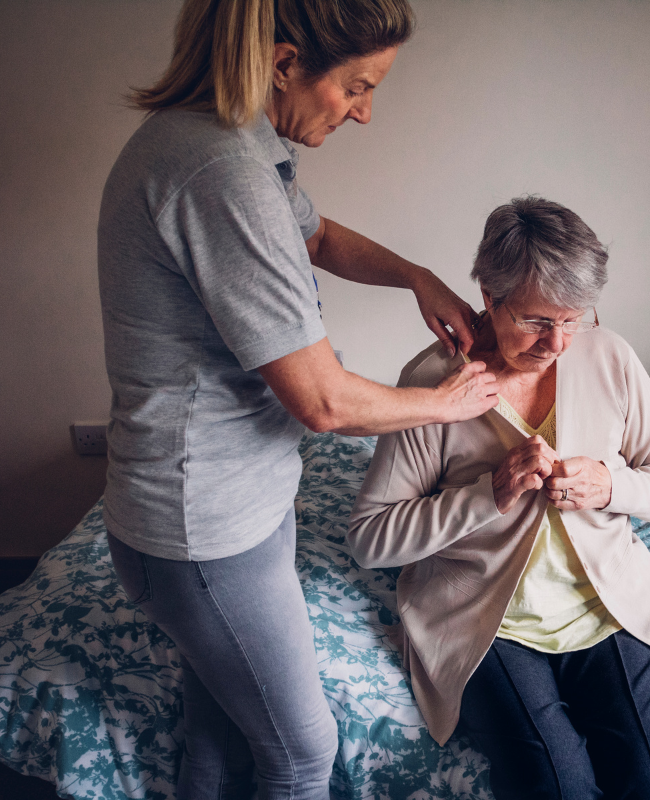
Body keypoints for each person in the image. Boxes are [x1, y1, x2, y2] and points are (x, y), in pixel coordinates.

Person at [97, 1, 498, 797]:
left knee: (221, 727)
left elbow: (310, 236)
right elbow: (320, 401)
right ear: (284, 64)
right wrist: (447, 404)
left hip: (216, 504)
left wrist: (415, 275)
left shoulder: (234, 142)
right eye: (356, 87)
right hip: (204, 524)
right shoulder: (220, 171)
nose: (364, 112)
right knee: (302, 754)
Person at [348, 196, 650, 799]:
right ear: (490, 294)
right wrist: (488, 496)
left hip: (607, 606)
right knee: (558, 784)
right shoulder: (435, 383)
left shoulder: (610, 356)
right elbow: (370, 538)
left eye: (574, 319)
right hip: (485, 618)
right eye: (537, 322)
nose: (558, 343)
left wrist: (611, 485)